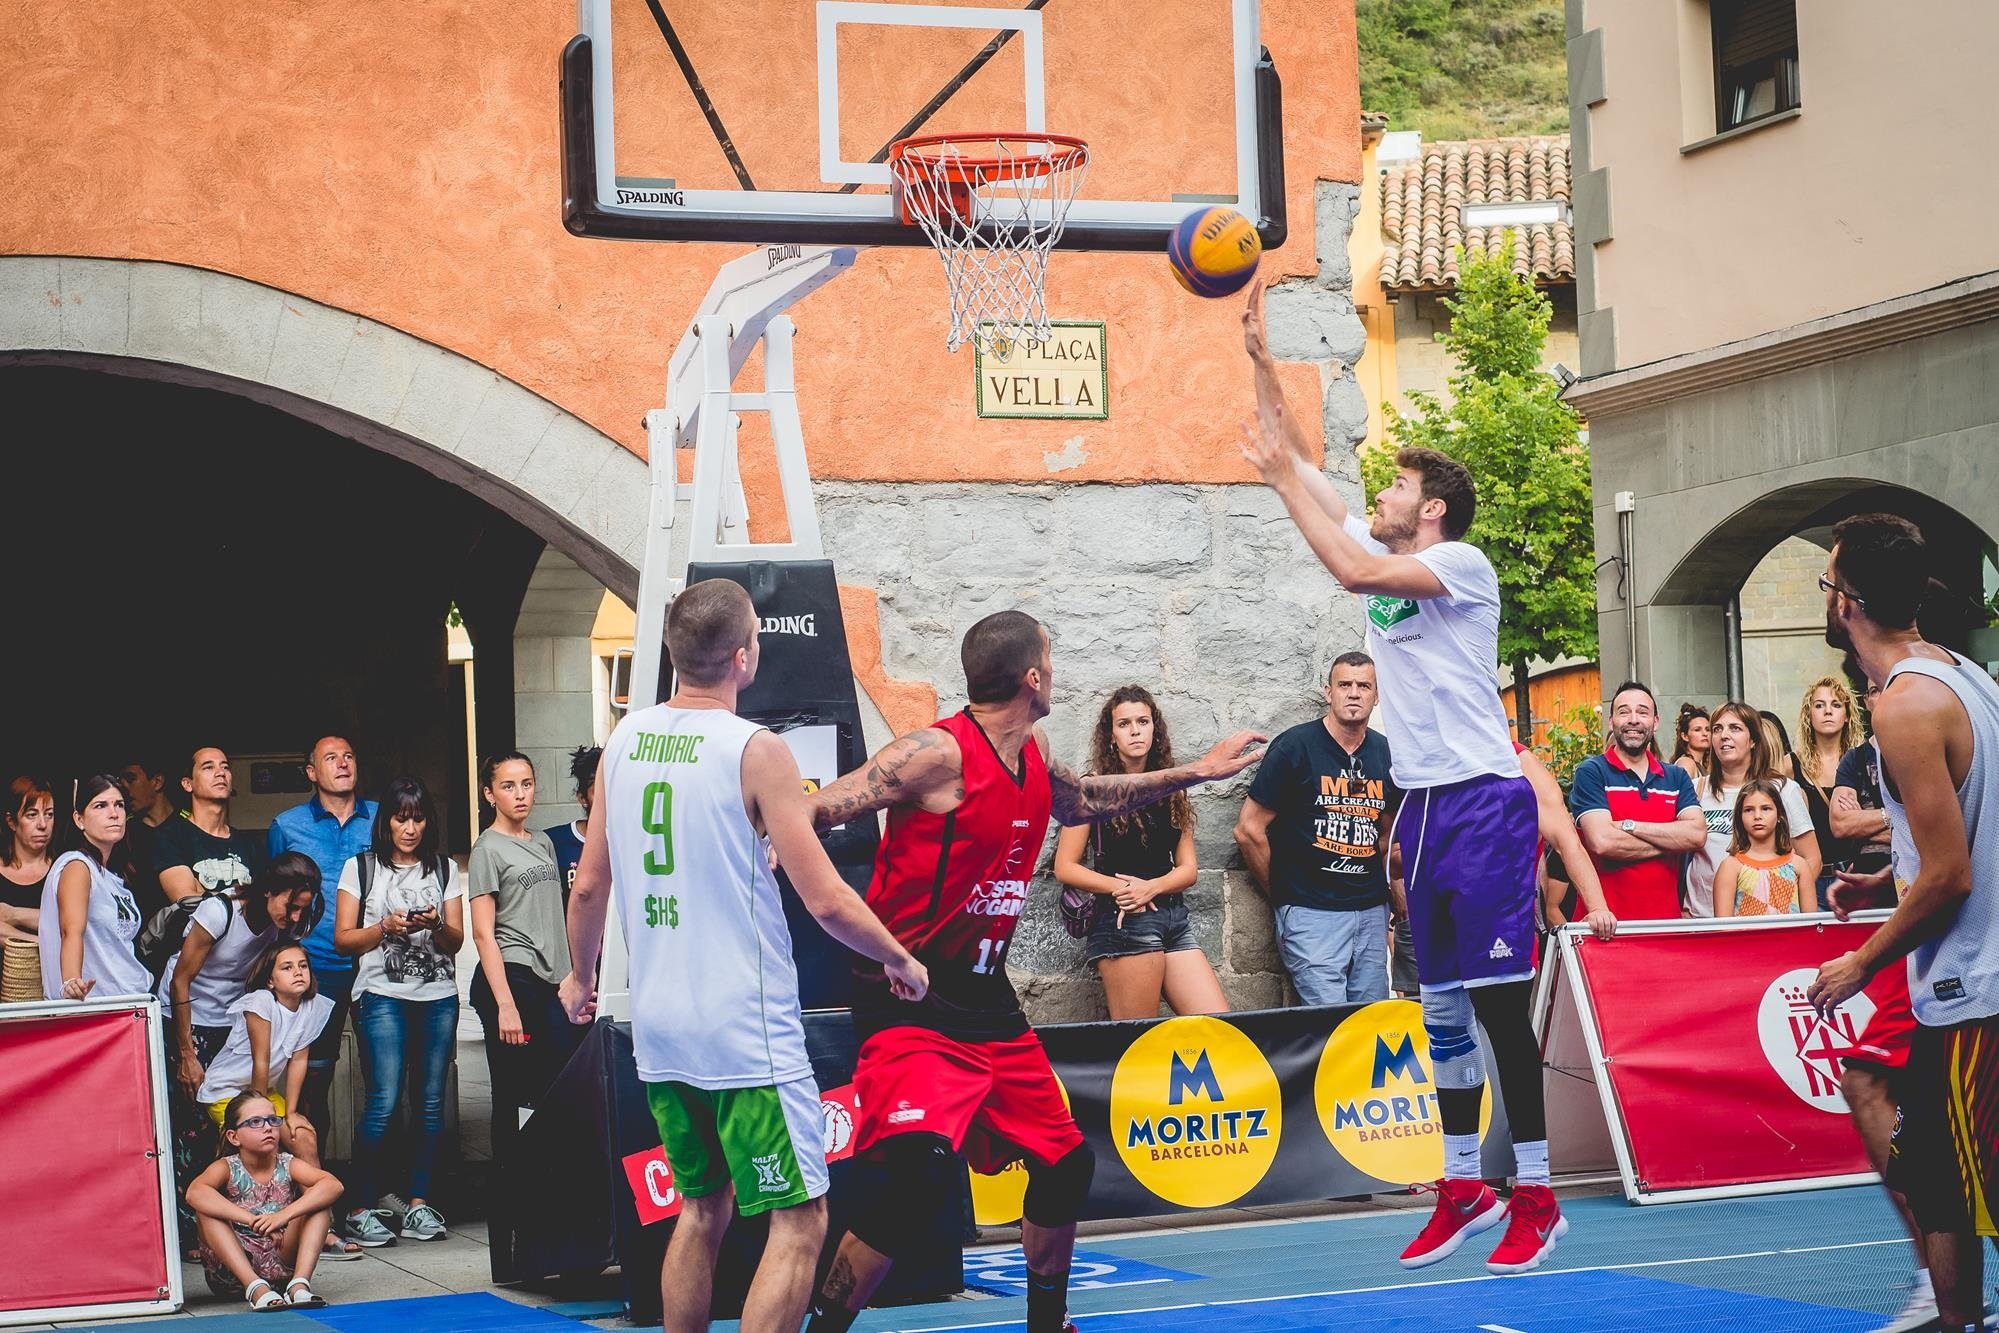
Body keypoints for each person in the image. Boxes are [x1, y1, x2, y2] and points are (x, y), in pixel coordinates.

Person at [802, 609, 1263, 1333]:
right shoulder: (937, 754)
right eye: (1050, 655)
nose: (1056, 666)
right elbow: (826, 804)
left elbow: (1084, 798)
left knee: (1064, 1163)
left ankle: (1047, 1325)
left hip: (987, 1002)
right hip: (911, 999)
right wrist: (781, 837)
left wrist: (1200, 769)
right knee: (913, 1180)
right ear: (1031, 676)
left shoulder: (1035, 750)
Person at [1239, 280, 1569, 1273]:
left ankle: (1540, 1194)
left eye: (1393, 487)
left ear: (1426, 512)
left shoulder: (1461, 563)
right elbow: (1296, 460)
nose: (1376, 492)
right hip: (1419, 808)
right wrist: (1259, 362)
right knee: (1438, 1008)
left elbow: (1347, 565)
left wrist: (1287, 485)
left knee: (1503, 1004)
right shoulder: (1385, 539)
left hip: (1481, 800)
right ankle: (1462, 1179)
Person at [558, 578, 929, 1333]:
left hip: (663, 1024)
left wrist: (581, 975)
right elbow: (825, 898)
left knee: (699, 1209)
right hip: (743, 1026)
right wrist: (900, 957)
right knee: (800, 1220)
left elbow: (589, 884)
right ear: (743, 655)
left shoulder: (623, 739)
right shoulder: (756, 750)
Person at [1806, 514, 1999, 1333]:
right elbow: (1962, 831)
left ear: (1847, 604)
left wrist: (1861, 959)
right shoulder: (1965, 676)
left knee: (1970, 1182)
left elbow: (1953, 875)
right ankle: (1951, 1317)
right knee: (1936, 1179)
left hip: (1971, 982)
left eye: (1825, 582)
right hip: (1960, 981)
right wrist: (1889, 877)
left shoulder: (1901, 708)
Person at [333, 775, 464, 1247]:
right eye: (400, 817)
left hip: (437, 995)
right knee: (384, 1102)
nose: (409, 828)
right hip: (380, 994)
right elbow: (343, 938)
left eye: (418, 818)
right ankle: (361, 1206)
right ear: (386, 820)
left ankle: (418, 1202)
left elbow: (456, 941)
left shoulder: (443, 868)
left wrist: (436, 925)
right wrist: (385, 927)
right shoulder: (361, 868)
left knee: (430, 1105)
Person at [1234, 653, 1400, 1005]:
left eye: (1364, 686)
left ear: (1377, 695)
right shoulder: (1296, 747)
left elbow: (1386, 836)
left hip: (1370, 913)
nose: (1354, 693)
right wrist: (1283, 895)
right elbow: (1249, 829)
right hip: (1312, 914)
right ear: (1328, 692)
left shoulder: (1386, 753)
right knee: (1329, 1024)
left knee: (1368, 1025)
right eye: (1344, 685)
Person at [1054, 685, 1224, 1021]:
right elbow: (1065, 867)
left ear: (1154, 729)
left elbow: (1188, 868)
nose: (1135, 731)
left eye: (1143, 722)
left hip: (1174, 918)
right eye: (1124, 724)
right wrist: (1126, 889)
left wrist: (1153, 887)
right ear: (1111, 735)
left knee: (1218, 1028)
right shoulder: (1092, 789)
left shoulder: (1173, 787)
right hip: (1124, 921)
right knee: (1138, 1040)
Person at [467, 752, 579, 1137]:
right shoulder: (487, 848)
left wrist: (570, 976)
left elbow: (555, 915)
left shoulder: (544, 842)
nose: (520, 794)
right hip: (513, 978)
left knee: (555, 1087)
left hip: (551, 980)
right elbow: (483, 932)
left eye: (527, 784)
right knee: (515, 1094)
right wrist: (505, 1005)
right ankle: (510, 1189)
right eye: (508, 786)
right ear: (489, 794)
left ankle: (545, 1184)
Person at [267, 736, 377, 1125]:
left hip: (375, 965)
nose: (343, 763)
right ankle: (316, 1175)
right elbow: (274, 902)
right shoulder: (287, 825)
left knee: (382, 1076)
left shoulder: (383, 818)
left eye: (349, 756)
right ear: (312, 772)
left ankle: (379, 1182)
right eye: (331, 758)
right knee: (312, 1078)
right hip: (312, 969)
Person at [187, 1092, 344, 1310]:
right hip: (233, 1274)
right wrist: (254, 1220)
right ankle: (255, 1287)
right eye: (255, 1122)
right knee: (205, 1210)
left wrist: (282, 1217)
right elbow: (194, 1193)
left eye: (273, 1119)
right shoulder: (226, 1167)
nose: (268, 1127)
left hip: (281, 1262)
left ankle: (299, 1285)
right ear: (234, 1137)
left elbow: (333, 1185)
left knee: (319, 1202)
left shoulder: (288, 1163)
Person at [1567, 682, 1706, 921]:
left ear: (1655, 722)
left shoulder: (1676, 777)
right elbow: (1603, 842)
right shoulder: (1592, 772)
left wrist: (1628, 826)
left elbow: (1696, 835)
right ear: (1611, 722)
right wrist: (1672, 842)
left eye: (1643, 712)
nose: (1633, 719)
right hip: (1606, 927)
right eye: (1624, 712)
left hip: (1665, 926)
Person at [194, 943, 336, 1154]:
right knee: (258, 1141)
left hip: (264, 1091)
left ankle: (316, 1187)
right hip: (226, 1090)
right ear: (270, 981)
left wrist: (291, 1113)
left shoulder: (311, 1006)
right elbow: (262, 1061)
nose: (298, 972)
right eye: (287, 967)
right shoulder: (261, 1002)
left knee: (304, 1138)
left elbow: (298, 1061)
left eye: (303, 966)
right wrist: (258, 1115)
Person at [1686, 702, 1822, 917]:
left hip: (1768, 925)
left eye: (1735, 728)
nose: (1724, 735)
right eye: (1717, 729)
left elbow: (1812, 859)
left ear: (1753, 740)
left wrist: (1774, 904)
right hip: (1702, 920)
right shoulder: (1695, 790)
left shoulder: (1783, 789)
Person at [39, 774, 150, 1001]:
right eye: (100, 806)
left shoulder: (113, 874)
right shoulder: (78, 866)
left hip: (131, 1000)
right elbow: (70, 930)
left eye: (119, 805)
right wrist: (71, 982)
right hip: (98, 1007)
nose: (114, 813)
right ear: (79, 819)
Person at [157, 746, 263, 905]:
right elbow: (187, 902)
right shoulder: (170, 837)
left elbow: (264, 904)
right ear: (187, 784)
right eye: (208, 767)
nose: (220, 773)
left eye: (225, 767)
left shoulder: (250, 844)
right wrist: (243, 898)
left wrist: (205, 894)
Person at [1798, 676, 1866, 895]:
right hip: (1811, 878)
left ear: (1846, 715)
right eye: (1819, 705)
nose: (1828, 711)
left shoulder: (1862, 762)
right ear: (1809, 714)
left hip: (1855, 875)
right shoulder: (1791, 764)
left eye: (1836, 705)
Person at [1711, 781, 1815, 916]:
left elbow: (1812, 926)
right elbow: (1723, 929)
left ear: (1779, 815)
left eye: (1766, 808)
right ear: (1739, 817)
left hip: (1792, 937)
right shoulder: (1730, 867)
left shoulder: (1799, 866)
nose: (1757, 816)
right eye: (1749, 810)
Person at [1830, 685, 1895, 880]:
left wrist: (1863, 825)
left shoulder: (1923, 754)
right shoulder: (1854, 759)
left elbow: (1931, 833)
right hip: (1865, 881)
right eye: (1875, 690)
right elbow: (1841, 825)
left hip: (1915, 878)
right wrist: (1897, 815)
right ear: (1866, 701)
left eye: (1888, 687)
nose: (1883, 695)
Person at [119, 753, 177, 922]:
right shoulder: (123, 830)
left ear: (157, 782)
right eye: (121, 781)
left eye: (130, 779)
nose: (124, 788)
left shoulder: (187, 825)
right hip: (137, 933)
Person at [0, 776, 55, 943]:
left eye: (49, 814)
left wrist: (13, 915)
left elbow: (76, 922)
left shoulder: (65, 869)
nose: (43, 824)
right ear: (11, 822)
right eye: (32, 814)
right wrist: (45, 942)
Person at [545, 744, 601, 905]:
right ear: (582, 798)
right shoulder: (553, 841)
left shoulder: (632, 842)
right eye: (598, 791)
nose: (607, 798)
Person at [1668, 704, 1711, 783]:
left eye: (1708, 729)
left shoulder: (1702, 764)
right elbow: (1680, 794)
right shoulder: (1686, 763)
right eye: (1697, 730)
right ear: (1685, 736)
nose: (1705, 733)